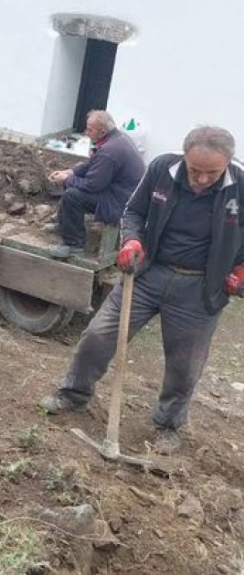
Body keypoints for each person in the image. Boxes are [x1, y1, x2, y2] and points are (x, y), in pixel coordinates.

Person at [40, 126, 244, 454]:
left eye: (212, 173)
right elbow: (133, 211)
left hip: (200, 288)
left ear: (229, 163)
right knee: (98, 335)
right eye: (195, 171)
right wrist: (132, 240)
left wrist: (240, 270)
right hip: (148, 274)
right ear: (184, 155)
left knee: (185, 363)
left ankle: (168, 424)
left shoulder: (241, 187)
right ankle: (72, 394)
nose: (202, 179)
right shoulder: (163, 169)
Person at [45, 110, 146, 259]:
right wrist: (70, 172)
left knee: (72, 196)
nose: (86, 132)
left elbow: (92, 185)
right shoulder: (116, 139)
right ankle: (65, 225)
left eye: (90, 130)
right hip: (120, 191)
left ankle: (74, 245)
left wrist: (66, 180)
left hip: (121, 202)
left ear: (103, 131)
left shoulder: (110, 151)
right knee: (74, 179)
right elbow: (92, 165)